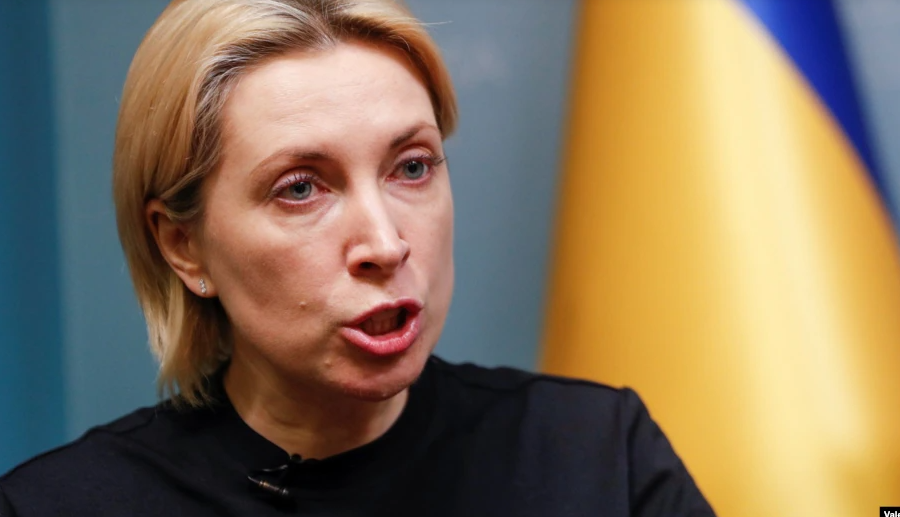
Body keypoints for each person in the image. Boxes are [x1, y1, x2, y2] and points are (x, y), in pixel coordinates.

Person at [0, 0, 716, 515]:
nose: (385, 243)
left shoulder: (599, 459)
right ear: (183, 245)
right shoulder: (57, 505)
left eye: (412, 167)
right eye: (300, 188)